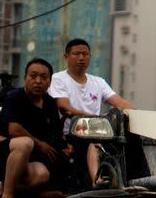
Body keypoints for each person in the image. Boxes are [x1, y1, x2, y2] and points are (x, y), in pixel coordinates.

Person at [0, 58, 72, 198]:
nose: (38, 81)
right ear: (25, 78)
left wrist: (65, 147)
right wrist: (40, 143)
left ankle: (6, 188)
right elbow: (14, 130)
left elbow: (56, 133)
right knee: (25, 142)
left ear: (49, 82)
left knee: (42, 174)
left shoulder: (49, 103)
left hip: (24, 160)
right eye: (33, 76)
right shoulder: (14, 97)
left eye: (43, 77)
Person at [48, 38, 134, 184]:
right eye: (76, 54)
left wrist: (138, 113)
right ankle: (96, 180)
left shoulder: (98, 82)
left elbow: (119, 102)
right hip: (70, 135)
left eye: (85, 54)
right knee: (95, 138)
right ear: (66, 57)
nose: (81, 58)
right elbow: (64, 106)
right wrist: (97, 118)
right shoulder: (58, 79)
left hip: (96, 132)